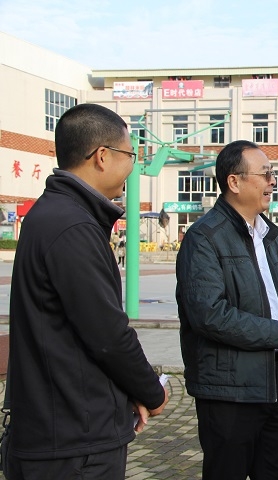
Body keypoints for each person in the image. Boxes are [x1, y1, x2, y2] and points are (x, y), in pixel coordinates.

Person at [5, 103, 168, 479]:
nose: (131, 166)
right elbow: (107, 334)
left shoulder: (53, 215)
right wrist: (152, 392)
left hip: (62, 429)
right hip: (74, 442)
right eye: (130, 155)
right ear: (102, 156)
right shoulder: (72, 226)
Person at [175, 139, 278, 480]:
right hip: (230, 391)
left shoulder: (270, 234)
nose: (273, 182)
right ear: (234, 182)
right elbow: (209, 315)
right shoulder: (204, 238)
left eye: (272, 174)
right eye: (265, 174)